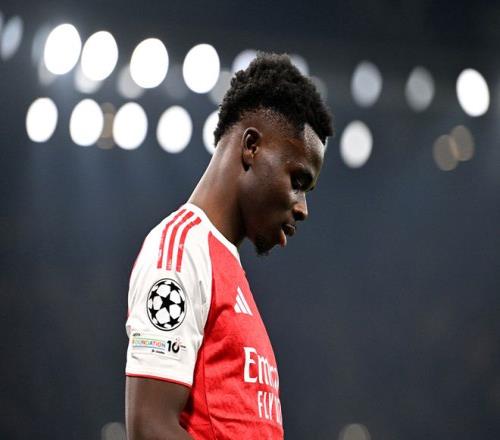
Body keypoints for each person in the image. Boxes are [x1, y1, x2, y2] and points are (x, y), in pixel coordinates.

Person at [125, 52, 333, 439]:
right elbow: (149, 426)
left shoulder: (224, 263)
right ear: (251, 146)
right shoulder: (179, 251)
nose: (302, 208)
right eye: (297, 181)